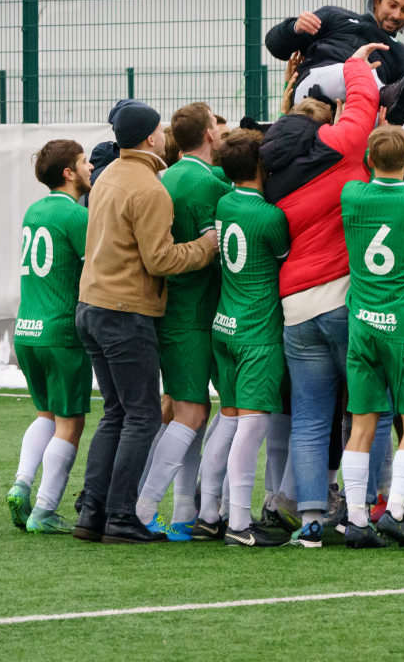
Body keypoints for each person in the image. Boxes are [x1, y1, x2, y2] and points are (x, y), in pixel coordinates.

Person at [257, 44, 389, 550]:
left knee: (311, 416)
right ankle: (365, 508)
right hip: (346, 300)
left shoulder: (271, 177)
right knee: (368, 408)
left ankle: (310, 520)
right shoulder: (337, 145)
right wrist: (355, 64)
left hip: (297, 307)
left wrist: (290, 92)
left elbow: (286, 130)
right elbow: (363, 100)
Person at [71, 103, 218, 545]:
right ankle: (121, 514)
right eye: (158, 129)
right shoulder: (149, 189)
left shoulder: (108, 175)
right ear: (151, 138)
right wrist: (205, 247)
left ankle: (92, 511)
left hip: (90, 306)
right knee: (142, 416)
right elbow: (161, 259)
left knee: (115, 412)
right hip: (125, 312)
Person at [340, 125, 404, 550]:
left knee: (362, 424)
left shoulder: (351, 194)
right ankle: (396, 512)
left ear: (368, 159)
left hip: (362, 322)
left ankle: (356, 520)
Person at [134, 102, 230, 541]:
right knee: (191, 411)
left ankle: (185, 511)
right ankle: (145, 506)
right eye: (217, 125)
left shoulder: (165, 176)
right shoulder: (208, 184)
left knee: (184, 407)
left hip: (172, 310)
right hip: (194, 314)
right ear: (209, 134)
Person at [193, 129, 292, 547]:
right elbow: (287, 260)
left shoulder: (224, 201)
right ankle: (238, 524)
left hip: (225, 326)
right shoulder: (270, 217)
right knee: (251, 428)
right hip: (257, 332)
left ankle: (207, 514)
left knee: (229, 421)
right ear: (260, 167)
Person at [7, 140, 94, 534]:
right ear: (68, 173)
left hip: (26, 329)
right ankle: (44, 510)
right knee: (70, 422)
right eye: (83, 161)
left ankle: (21, 486)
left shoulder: (34, 210)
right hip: (61, 332)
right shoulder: (76, 216)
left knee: (46, 414)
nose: (90, 166)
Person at [264, 0, 404, 129]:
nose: (396, 14)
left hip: (364, 109)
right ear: (377, 0)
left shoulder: (402, 53)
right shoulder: (336, 16)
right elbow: (276, 48)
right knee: (360, 69)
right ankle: (383, 94)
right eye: (392, 5)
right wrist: (293, 28)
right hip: (315, 87)